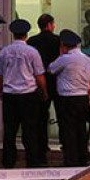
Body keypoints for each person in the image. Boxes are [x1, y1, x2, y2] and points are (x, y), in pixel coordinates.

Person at [0, 19, 48, 168]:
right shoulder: (32, 52)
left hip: (10, 94)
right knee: (30, 129)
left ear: (13, 34)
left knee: (9, 130)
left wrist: (0, 91)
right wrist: (44, 91)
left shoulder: (4, 52)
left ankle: (8, 160)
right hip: (28, 94)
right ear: (26, 34)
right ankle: (32, 160)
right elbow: (39, 75)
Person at [48, 29, 90, 167]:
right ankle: (83, 157)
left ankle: (71, 160)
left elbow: (50, 69)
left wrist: (60, 55)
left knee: (68, 130)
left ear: (63, 45)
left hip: (67, 99)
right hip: (83, 98)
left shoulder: (64, 59)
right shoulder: (88, 60)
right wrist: (88, 98)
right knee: (81, 129)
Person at [26, 13, 60, 166]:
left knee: (39, 118)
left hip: (38, 83)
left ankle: (40, 150)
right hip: (55, 82)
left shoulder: (32, 41)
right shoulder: (58, 40)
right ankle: (67, 149)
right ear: (50, 25)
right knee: (62, 116)